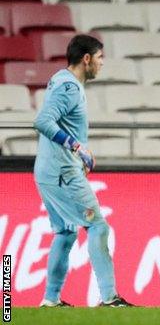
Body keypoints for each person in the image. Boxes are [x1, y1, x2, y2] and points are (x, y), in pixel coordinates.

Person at [33, 35, 133, 307]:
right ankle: (110, 297)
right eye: (100, 58)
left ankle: (51, 300)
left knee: (65, 232)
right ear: (86, 58)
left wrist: (78, 155)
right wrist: (77, 147)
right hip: (62, 172)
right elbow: (42, 121)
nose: (102, 64)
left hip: (49, 169)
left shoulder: (60, 79)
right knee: (97, 225)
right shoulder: (70, 88)